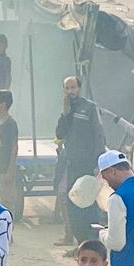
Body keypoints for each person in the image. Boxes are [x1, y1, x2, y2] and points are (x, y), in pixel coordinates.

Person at [57, 76, 106, 249]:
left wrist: (98, 163)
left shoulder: (90, 107)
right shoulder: (67, 109)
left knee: (88, 203)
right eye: (67, 88)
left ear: (79, 88)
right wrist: (65, 114)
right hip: (71, 164)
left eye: (73, 87)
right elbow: (59, 134)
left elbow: (99, 135)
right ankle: (80, 244)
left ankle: (92, 243)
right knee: (73, 202)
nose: (70, 91)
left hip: (87, 164)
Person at [0, 90, 19, 214]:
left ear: (4, 104)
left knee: (7, 199)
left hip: (5, 166)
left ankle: (7, 224)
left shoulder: (11, 124)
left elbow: (14, 147)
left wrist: (10, 170)